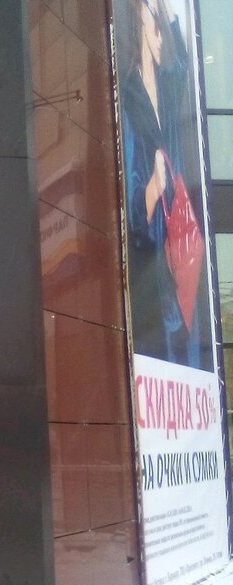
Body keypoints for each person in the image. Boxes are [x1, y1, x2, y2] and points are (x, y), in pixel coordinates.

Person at [120, 0, 204, 367]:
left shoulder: (168, 89)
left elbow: (183, 63)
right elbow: (132, 211)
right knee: (163, 344)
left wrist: (165, 10)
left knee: (187, 329)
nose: (161, 38)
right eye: (156, 28)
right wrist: (155, 185)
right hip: (152, 257)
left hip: (180, 240)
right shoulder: (127, 98)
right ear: (140, 28)